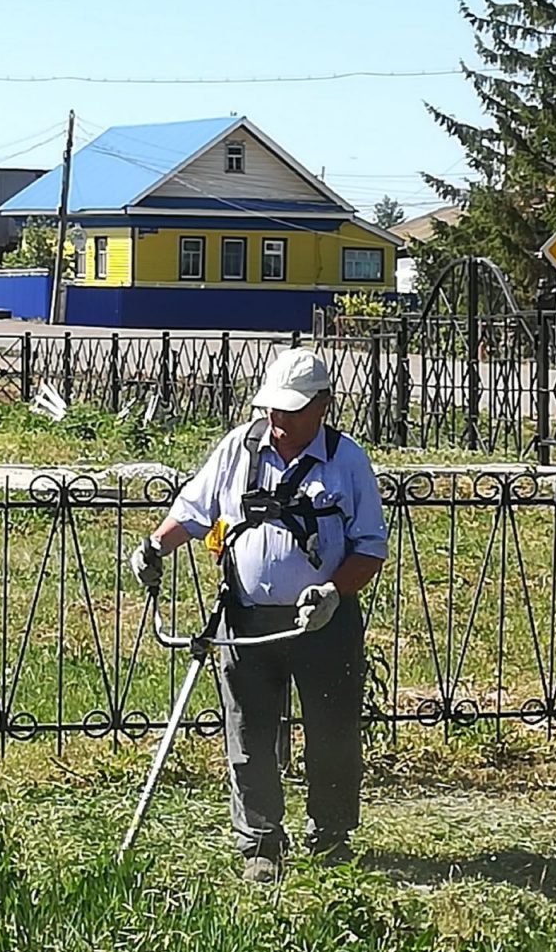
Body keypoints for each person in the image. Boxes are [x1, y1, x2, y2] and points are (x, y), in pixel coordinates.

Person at [129, 347, 388, 883]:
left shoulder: (348, 462)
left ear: (322, 405)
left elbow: (369, 549)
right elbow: (193, 512)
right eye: (273, 406)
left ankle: (332, 836)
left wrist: (333, 592)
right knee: (249, 733)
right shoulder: (238, 450)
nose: (278, 417)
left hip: (326, 622)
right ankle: (261, 843)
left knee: (333, 730)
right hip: (246, 618)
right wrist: (155, 546)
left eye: (291, 409)